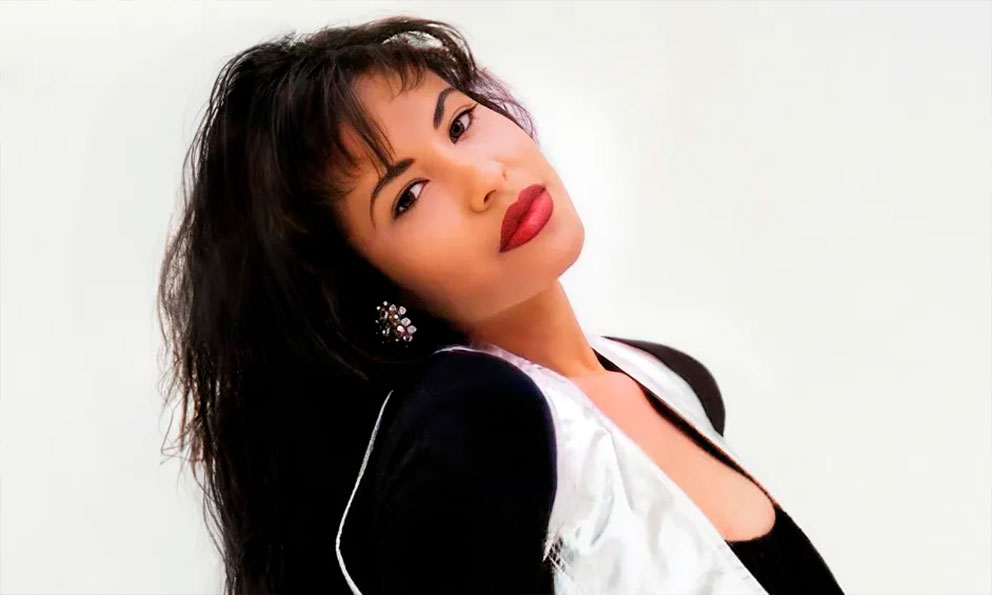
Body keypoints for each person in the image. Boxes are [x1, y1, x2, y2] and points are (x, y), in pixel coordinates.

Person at [158, 15, 844, 594]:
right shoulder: (472, 426)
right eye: (408, 196)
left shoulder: (673, 380)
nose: (485, 178)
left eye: (459, 123)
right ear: (371, 286)